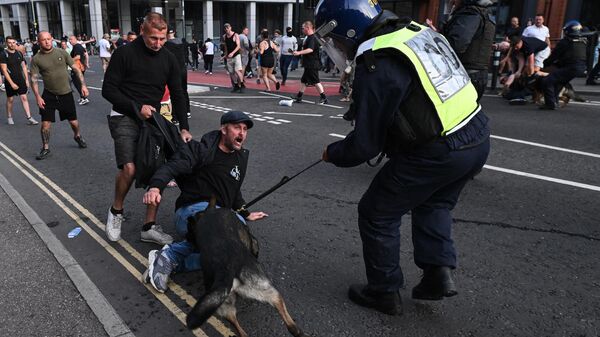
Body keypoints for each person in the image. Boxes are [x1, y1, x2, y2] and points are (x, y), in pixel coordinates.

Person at [315, 0, 490, 315]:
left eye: (335, 38)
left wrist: (334, 153)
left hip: (438, 149)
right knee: (433, 201)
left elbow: (365, 145)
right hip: (476, 134)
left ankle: (383, 291)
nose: (337, 46)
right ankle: (438, 274)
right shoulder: (413, 30)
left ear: (348, 28)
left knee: (376, 212)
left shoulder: (375, 60)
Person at [141, 110, 268, 293]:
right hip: (191, 210)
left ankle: (172, 262)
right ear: (223, 129)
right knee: (220, 230)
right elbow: (172, 166)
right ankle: (171, 254)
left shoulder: (240, 158)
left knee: (243, 248)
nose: (242, 133)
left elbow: (232, 189)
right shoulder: (201, 150)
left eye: (245, 129)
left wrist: (245, 212)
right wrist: (155, 187)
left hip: (222, 215)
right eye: (236, 128)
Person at [101, 12, 193, 245]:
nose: (158, 44)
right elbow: (108, 91)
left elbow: (178, 93)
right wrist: (135, 107)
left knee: (156, 172)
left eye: (162, 38)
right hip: (123, 115)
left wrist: (184, 127)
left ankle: (148, 227)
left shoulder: (169, 58)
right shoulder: (124, 53)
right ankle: (116, 212)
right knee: (129, 169)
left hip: (152, 119)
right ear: (142, 31)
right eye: (153, 38)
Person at [29, 31, 88, 160]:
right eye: (43, 40)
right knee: (45, 124)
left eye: (49, 39)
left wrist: (83, 85)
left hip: (65, 94)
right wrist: (38, 97)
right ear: (39, 42)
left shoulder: (61, 53)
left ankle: (77, 136)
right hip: (48, 95)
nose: (47, 41)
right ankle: (45, 148)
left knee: (73, 122)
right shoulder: (37, 59)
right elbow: (33, 79)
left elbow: (76, 69)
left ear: (52, 39)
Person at [442, 0, 496, 101]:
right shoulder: (484, 13)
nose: (452, 2)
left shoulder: (471, 14)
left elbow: (457, 44)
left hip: (465, 74)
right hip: (475, 73)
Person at [538, 21, 587, 110]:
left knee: (547, 81)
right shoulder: (583, 41)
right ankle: (554, 101)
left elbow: (554, 56)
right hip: (581, 67)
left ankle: (550, 104)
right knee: (558, 82)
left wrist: (544, 64)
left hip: (571, 67)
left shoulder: (565, 42)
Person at [1, 36, 38, 125]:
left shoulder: (19, 53)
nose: (12, 44)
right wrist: (11, 83)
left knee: (24, 97)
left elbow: (24, 66)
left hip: (20, 79)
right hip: (10, 80)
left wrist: (26, 80)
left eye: (13, 42)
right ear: (6, 43)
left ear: (16, 43)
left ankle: (29, 117)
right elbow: (4, 70)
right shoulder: (3, 54)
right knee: (10, 99)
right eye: (9, 42)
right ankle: (9, 116)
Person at [292, 21, 328, 104]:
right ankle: (299, 96)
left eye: (303, 28)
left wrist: (299, 52)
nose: (302, 29)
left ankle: (324, 98)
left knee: (316, 81)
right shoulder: (309, 37)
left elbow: (310, 49)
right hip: (309, 63)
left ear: (307, 28)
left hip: (312, 63)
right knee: (304, 80)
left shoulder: (312, 38)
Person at [164, 28, 191, 120]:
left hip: (174, 71)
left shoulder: (166, 44)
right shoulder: (182, 42)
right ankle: (187, 111)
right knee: (184, 91)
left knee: (174, 93)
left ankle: (175, 116)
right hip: (183, 69)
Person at [222, 23, 245, 93]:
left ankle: (241, 84)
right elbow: (226, 46)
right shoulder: (224, 36)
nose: (226, 29)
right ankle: (236, 85)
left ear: (230, 28)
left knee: (237, 70)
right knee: (231, 72)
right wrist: (225, 55)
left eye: (228, 28)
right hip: (229, 56)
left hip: (236, 55)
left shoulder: (235, 35)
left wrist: (232, 53)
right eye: (225, 28)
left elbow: (238, 46)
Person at [68, 35, 90, 105]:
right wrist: (86, 63)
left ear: (75, 39)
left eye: (71, 39)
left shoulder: (77, 46)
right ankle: (82, 97)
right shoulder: (79, 46)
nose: (70, 41)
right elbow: (85, 54)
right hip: (81, 67)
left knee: (77, 83)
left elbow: (78, 57)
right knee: (79, 82)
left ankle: (84, 98)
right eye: (69, 40)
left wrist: (69, 61)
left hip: (78, 67)